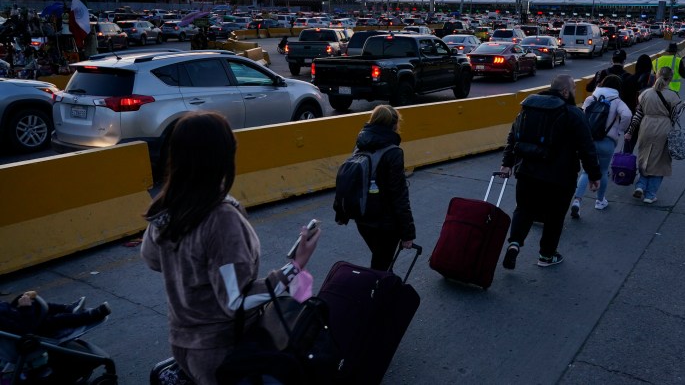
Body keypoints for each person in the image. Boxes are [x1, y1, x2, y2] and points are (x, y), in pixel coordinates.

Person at [140, 111, 321, 385]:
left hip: (182, 343)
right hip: (221, 351)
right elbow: (235, 302)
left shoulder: (168, 207)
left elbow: (152, 258)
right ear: (223, 158)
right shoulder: (221, 219)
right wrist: (294, 267)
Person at [500, 75, 601, 269]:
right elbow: (586, 147)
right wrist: (594, 174)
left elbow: (513, 136)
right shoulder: (573, 113)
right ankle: (546, 255)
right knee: (555, 216)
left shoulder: (529, 107)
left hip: (527, 171)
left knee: (524, 209)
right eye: (572, 89)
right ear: (564, 91)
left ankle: (514, 243)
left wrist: (507, 163)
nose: (574, 92)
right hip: (560, 177)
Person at [338, 104, 415, 270]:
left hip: (362, 219)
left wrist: (342, 214)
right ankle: (374, 293)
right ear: (394, 125)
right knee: (381, 266)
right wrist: (407, 233)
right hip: (385, 224)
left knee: (382, 261)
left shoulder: (360, 144)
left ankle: (383, 289)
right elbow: (399, 195)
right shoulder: (393, 152)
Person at [624, 67, 685, 204]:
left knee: (645, 158)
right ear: (670, 78)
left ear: (656, 76)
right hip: (663, 129)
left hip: (646, 127)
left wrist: (630, 132)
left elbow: (637, 115)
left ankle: (640, 186)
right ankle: (650, 195)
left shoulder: (645, 94)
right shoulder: (673, 96)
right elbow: (675, 117)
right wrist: (684, 105)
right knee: (660, 163)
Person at [570, 75, 632, 218]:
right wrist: (619, 130)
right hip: (607, 142)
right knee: (603, 171)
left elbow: (582, 117)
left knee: (586, 172)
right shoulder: (617, 101)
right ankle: (600, 201)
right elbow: (627, 115)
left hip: (589, 141)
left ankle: (577, 201)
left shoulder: (590, 99)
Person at [0, 291, 111, 336]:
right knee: (57, 320)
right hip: (31, 332)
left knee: (39, 304)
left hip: (21, 317)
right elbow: (25, 329)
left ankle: (68, 308)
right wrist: (25, 308)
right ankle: (90, 316)